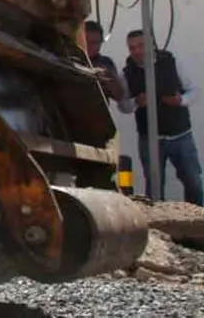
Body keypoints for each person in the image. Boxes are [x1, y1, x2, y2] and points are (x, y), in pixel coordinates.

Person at [120, 30, 203, 206]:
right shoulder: (127, 73)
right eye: (132, 47)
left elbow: (194, 90)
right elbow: (123, 105)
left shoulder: (172, 62)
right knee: (154, 189)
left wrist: (180, 100)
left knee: (194, 182)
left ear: (152, 45)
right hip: (150, 139)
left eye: (141, 46)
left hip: (180, 135)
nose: (136, 51)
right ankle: (160, 225)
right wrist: (136, 101)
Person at [84, 20, 135, 112]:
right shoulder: (68, 57)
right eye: (88, 42)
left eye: (96, 43)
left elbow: (119, 96)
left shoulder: (105, 63)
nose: (91, 46)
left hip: (97, 114)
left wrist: (109, 78)